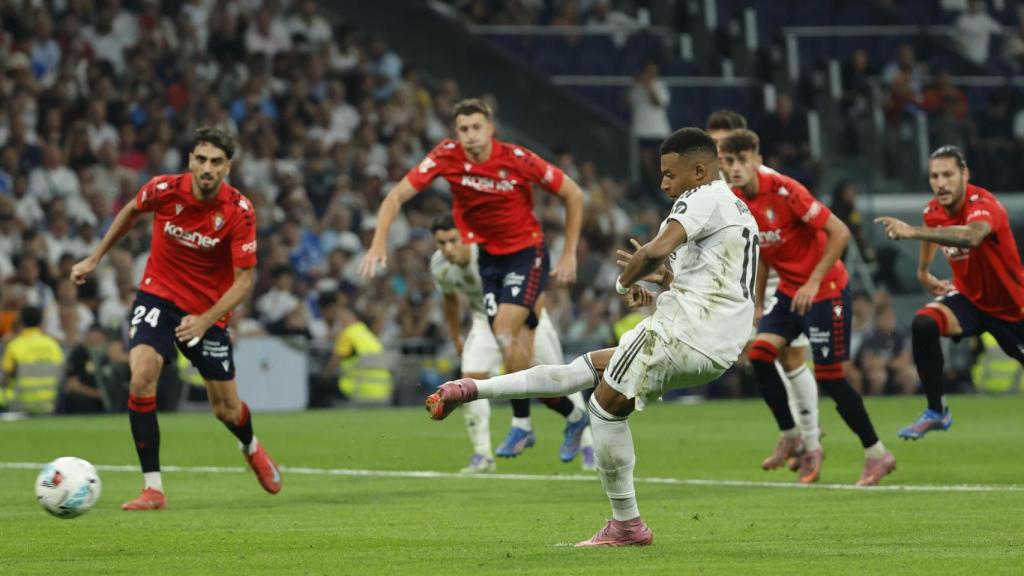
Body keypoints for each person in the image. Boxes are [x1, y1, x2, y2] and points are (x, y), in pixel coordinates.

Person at [426, 127, 758, 547]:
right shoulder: (739, 209)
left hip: (683, 332)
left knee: (603, 411)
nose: (664, 183)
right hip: (716, 345)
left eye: (670, 174)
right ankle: (469, 389)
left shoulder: (702, 196)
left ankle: (626, 524)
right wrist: (663, 283)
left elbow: (654, 249)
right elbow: (710, 281)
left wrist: (625, 282)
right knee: (582, 370)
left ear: (698, 170)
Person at [359, 98, 588, 455]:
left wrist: (569, 252)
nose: (470, 135)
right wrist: (377, 244)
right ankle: (574, 416)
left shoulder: (516, 158)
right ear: (456, 131)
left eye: (476, 127)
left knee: (503, 334)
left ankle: (521, 427)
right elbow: (395, 197)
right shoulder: (446, 156)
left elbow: (572, 194)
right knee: (520, 357)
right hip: (489, 261)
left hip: (526, 254)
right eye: (463, 129)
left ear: (490, 128)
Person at [70, 127, 281, 510]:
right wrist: (95, 257)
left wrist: (205, 319)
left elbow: (245, 280)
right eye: (201, 159)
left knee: (226, 410)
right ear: (190, 161)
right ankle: (153, 488)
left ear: (227, 167)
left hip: (208, 311)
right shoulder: (164, 189)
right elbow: (131, 211)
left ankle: (250, 446)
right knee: (141, 379)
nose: (207, 168)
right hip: (158, 296)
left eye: (216, 162)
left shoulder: (239, 212)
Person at [721, 129, 895, 486]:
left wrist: (814, 280)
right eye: (728, 162)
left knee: (831, 378)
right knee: (760, 354)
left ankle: (877, 454)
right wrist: (756, 302)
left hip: (826, 289)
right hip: (789, 291)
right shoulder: (737, 199)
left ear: (757, 158)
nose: (735, 168)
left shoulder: (786, 190)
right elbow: (764, 251)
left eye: (742, 160)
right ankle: (792, 434)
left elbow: (840, 231)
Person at [875, 145, 1024, 440]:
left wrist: (912, 232)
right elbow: (933, 225)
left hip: (1011, 309)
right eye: (934, 176)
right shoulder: (933, 210)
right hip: (968, 301)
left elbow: (972, 236)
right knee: (924, 322)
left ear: (964, 174)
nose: (940, 183)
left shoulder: (984, 204)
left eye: (947, 175)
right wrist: (923, 271)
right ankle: (936, 410)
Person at [705, 110, 823, 479]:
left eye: (725, 145)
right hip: (746, 279)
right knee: (769, 359)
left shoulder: (767, 184)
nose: (719, 154)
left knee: (790, 357)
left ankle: (808, 438)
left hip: (780, 277)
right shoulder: (711, 185)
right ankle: (801, 436)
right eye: (715, 146)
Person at [429, 214, 593, 473]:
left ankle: (588, 447)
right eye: (441, 243)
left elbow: (531, 284)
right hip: (484, 321)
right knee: (469, 381)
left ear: (465, 237)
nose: (448, 249)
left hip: (528, 312)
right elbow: (449, 301)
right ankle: (482, 455)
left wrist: (529, 330)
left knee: (561, 377)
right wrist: (457, 338)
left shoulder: (488, 252)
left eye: (452, 240)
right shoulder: (439, 266)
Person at [1, 305, 63, 415]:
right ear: (40, 322)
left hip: (19, 401)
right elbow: (60, 374)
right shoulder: (53, 345)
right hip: (48, 402)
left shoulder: (14, 346)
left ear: (22, 322)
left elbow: (6, 377)